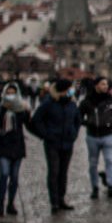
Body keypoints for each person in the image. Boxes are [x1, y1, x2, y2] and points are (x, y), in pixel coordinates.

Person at [28, 79, 81, 213]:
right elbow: (35, 121)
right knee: (54, 172)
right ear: (63, 90)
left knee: (63, 172)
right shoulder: (49, 104)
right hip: (53, 143)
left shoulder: (72, 104)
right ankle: (54, 202)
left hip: (67, 142)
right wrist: (45, 134)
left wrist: (74, 133)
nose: (72, 91)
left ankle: (61, 198)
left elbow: (77, 120)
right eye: (70, 88)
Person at [0, 83, 31, 216]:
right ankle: (0, 204)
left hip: (18, 146)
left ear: (17, 93)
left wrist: (28, 110)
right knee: (4, 174)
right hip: (3, 145)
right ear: (4, 94)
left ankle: (10, 204)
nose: (10, 95)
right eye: (8, 92)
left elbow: (29, 123)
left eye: (13, 92)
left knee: (14, 177)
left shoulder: (21, 109)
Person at [78, 77, 112, 199]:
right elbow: (78, 116)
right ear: (96, 85)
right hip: (92, 136)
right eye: (103, 84)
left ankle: (111, 185)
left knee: (109, 160)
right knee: (93, 163)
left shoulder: (111, 100)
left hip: (108, 135)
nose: (106, 86)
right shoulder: (88, 101)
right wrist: (87, 123)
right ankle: (95, 187)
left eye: (106, 84)